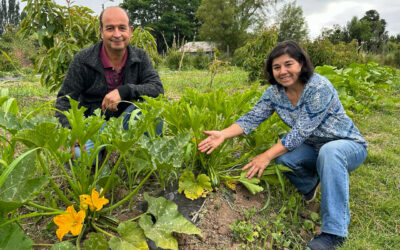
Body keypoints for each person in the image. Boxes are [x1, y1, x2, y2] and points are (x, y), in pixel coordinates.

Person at [198, 40, 367, 250]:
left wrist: (265, 156)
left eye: (289, 64)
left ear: (301, 64)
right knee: (284, 157)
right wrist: (223, 134)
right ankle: (310, 185)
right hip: (314, 147)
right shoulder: (274, 93)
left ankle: (334, 232)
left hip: (346, 146)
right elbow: (252, 118)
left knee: (328, 152)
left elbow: (299, 133)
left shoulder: (318, 87)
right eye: (276, 67)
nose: (282, 71)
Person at [55, 6, 163, 159]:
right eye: (110, 28)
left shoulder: (140, 57)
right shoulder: (83, 59)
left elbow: (157, 89)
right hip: (93, 126)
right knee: (79, 157)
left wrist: (124, 91)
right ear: (101, 32)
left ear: (130, 31)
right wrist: (70, 132)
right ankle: (101, 153)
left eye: (122, 28)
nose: (117, 34)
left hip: (126, 122)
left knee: (153, 110)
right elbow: (63, 101)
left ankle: (147, 159)